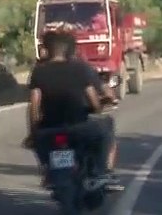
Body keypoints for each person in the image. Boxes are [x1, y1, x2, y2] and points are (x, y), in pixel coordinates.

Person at [25, 28, 121, 191]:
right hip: (79, 127)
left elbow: (34, 105)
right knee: (107, 128)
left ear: (47, 49)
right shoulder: (80, 68)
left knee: (39, 143)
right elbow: (93, 100)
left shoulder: (38, 72)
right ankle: (101, 172)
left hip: (50, 129)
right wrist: (98, 106)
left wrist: (34, 132)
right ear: (70, 49)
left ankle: (48, 172)